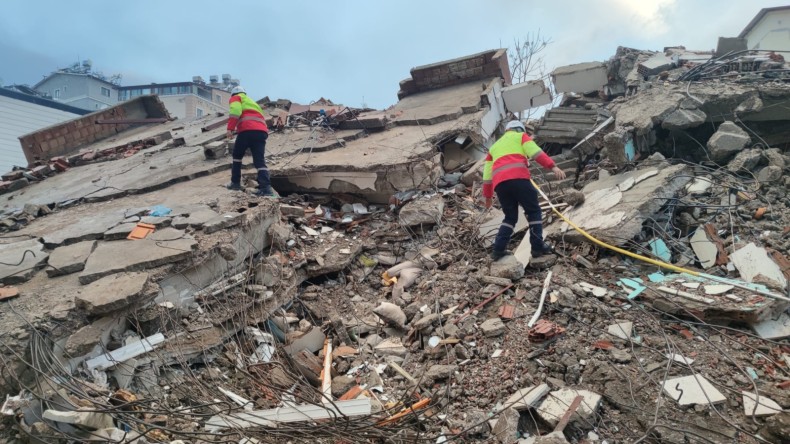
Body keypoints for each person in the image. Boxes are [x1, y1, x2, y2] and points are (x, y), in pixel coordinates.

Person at [483, 120, 566, 260]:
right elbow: (536, 153)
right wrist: (553, 166)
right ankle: (537, 248)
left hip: (500, 185)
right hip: (519, 179)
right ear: (520, 130)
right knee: (533, 212)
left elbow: (487, 175)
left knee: (510, 217)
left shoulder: (494, 147)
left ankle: (498, 250)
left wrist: (488, 197)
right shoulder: (521, 136)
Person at [226, 86, 276, 197]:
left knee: (237, 156)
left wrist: (230, 128)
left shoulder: (236, 97)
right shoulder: (252, 102)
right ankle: (266, 189)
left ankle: (235, 183)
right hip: (261, 132)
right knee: (259, 161)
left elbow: (235, 111)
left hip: (247, 131)